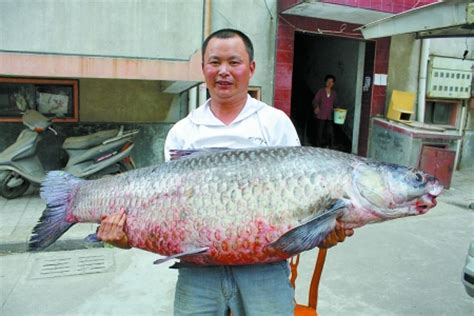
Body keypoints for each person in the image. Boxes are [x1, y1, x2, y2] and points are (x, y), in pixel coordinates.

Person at [97, 29, 354, 316]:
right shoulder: (184, 131)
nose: (223, 71)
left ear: (251, 68)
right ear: (203, 68)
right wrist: (123, 237)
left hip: (266, 268)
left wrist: (324, 231)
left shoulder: (274, 123)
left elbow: (298, 204)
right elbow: (170, 213)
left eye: (234, 62)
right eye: (215, 62)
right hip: (197, 269)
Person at [312, 75, 338, 148]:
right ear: (325, 82)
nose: (330, 83)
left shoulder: (334, 93)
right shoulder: (321, 91)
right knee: (319, 132)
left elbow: (335, 104)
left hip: (329, 116)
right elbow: (315, 101)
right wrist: (316, 107)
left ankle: (328, 146)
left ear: (333, 84)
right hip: (321, 115)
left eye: (331, 82)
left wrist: (337, 109)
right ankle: (318, 147)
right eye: (328, 81)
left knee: (329, 132)